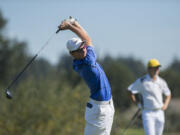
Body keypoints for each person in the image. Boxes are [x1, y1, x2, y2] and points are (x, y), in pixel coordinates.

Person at [58, 18, 115, 135]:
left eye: (83, 46)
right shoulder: (86, 63)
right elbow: (87, 39)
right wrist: (70, 27)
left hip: (107, 106)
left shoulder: (84, 56)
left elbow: (86, 40)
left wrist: (76, 24)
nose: (83, 49)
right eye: (79, 49)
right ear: (72, 54)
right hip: (98, 110)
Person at [127, 59, 171, 135]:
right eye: (155, 67)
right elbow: (130, 90)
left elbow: (168, 94)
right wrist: (137, 103)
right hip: (147, 113)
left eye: (158, 67)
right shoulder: (142, 81)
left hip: (160, 112)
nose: (157, 69)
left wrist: (166, 105)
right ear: (149, 69)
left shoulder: (161, 81)